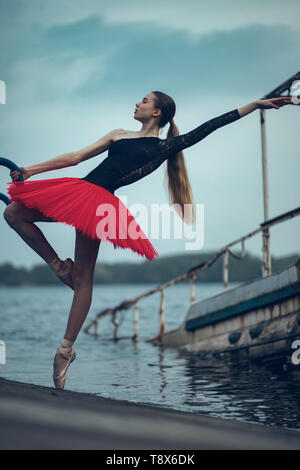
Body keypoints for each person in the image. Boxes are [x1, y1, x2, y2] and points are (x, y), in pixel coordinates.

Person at [4, 91, 292, 389]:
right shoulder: (118, 134)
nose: (137, 103)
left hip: (99, 205)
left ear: (157, 113)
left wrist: (255, 105)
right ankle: (57, 266)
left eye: (144, 101)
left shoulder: (165, 146)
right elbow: (76, 157)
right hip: (77, 189)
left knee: (84, 278)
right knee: (13, 213)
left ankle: (65, 351)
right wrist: (29, 169)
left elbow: (212, 125)